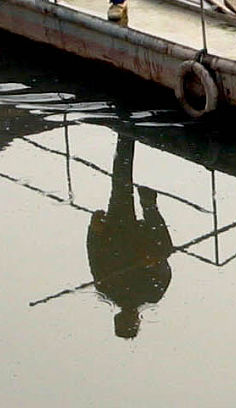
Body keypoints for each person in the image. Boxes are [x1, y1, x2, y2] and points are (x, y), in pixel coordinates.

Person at [86, 134, 173, 339]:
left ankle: (124, 139)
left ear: (118, 318)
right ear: (137, 321)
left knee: (119, 186)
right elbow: (165, 269)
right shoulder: (152, 295)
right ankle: (149, 206)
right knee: (165, 247)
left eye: (124, 321)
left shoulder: (106, 287)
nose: (128, 319)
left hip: (117, 233)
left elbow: (94, 254)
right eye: (130, 323)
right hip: (142, 242)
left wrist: (94, 229)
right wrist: (155, 263)